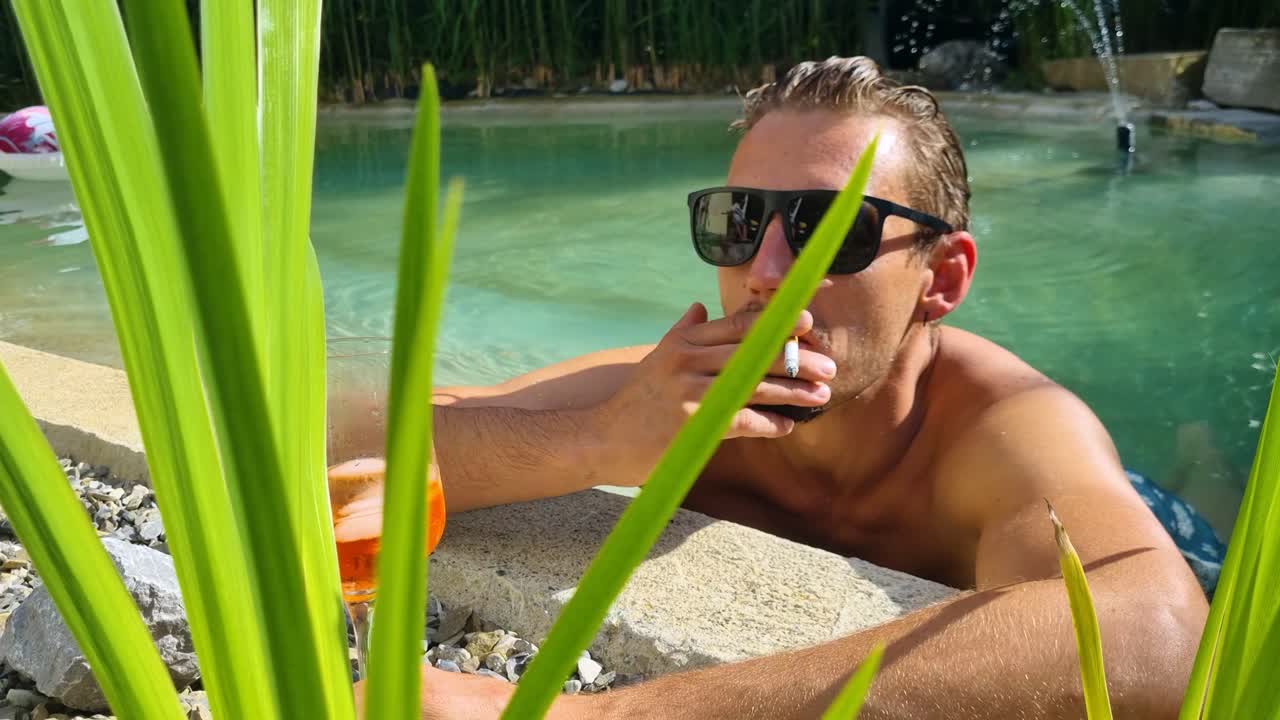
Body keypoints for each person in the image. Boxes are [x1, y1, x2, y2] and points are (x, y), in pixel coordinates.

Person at [350, 57, 1210, 719]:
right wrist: (600, 438)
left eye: (829, 229)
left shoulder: (1002, 428)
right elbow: (348, 443)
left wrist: (598, 712)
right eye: (738, 221)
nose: (766, 273)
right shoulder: (675, 396)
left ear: (942, 278)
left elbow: (1157, 636)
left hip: (1149, 515)